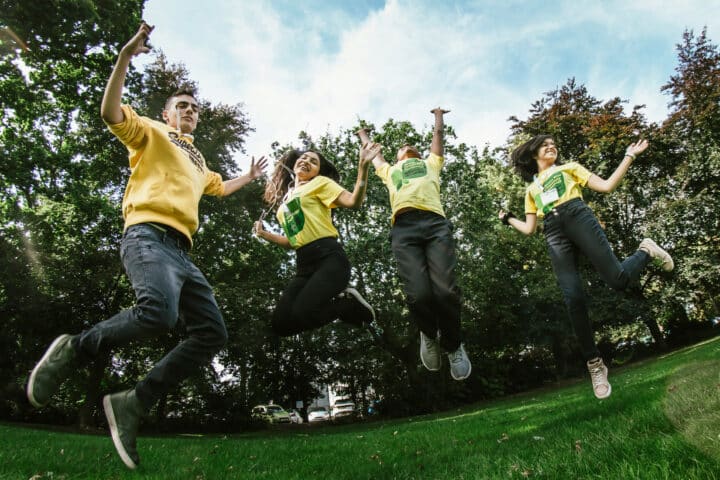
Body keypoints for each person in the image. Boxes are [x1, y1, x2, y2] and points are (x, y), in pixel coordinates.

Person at [25, 22, 268, 469]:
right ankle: (73, 349)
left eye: (194, 107)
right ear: (167, 112)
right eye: (182, 105)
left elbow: (216, 188)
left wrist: (249, 179)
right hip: (147, 235)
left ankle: (133, 403)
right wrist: (123, 59)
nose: (190, 110)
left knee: (212, 332)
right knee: (158, 312)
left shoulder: (198, 159)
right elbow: (109, 112)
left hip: (182, 252)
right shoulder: (151, 132)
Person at [499, 135, 673, 399]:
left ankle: (646, 249)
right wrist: (508, 218)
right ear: (534, 153)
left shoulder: (569, 169)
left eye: (554, 143)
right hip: (553, 232)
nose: (551, 146)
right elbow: (529, 228)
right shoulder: (531, 191)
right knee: (573, 298)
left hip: (578, 216)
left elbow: (606, 186)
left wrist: (630, 155)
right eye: (545, 144)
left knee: (618, 279)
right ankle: (595, 364)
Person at [368, 108, 472, 381]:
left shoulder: (431, 163)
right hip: (404, 228)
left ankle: (453, 345)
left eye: (411, 145)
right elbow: (373, 154)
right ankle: (428, 333)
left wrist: (438, 116)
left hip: (435, 224)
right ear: (397, 158)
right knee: (418, 294)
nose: (406, 147)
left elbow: (438, 137)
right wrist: (362, 134)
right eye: (402, 148)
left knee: (446, 292)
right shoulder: (390, 171)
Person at [253, 145, 379, 336]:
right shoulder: (287, 199)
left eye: (314, 162)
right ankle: (344, 305)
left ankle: (346, 304)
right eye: (303, 158)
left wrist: (363, 166)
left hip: (328, 258)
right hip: (304, 264)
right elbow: (293, 241)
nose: (306, 162)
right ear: (295, 163)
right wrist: (265, 235)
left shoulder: (320, 183)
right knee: (281, 324)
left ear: (318, 171)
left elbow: (354, 201)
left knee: (303, 312)